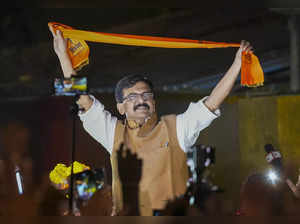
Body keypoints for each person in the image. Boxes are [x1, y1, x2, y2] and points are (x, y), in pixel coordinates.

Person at [49, 26, 253, 216]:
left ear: (153, 102)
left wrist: (237, 65)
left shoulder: (177, 130)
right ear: (120, 107)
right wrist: (62, 56)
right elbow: (82, 98)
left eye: (146, 95)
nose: (141, 100)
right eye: (132, 97)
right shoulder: (112, 133)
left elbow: (211, 103)